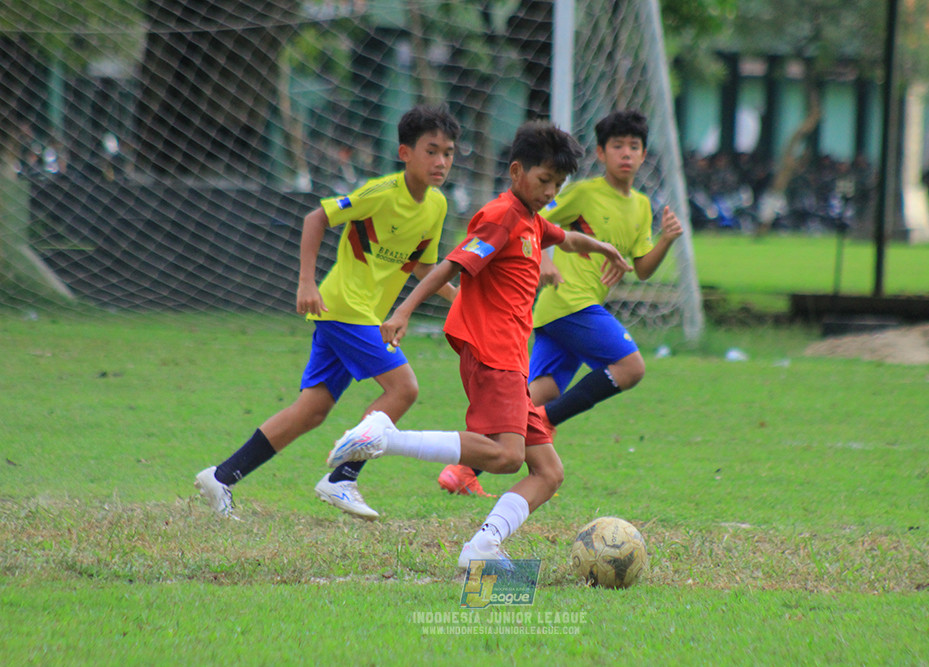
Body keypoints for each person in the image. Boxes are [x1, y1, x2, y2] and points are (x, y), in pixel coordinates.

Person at [325, 120, 632, 567]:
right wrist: (404, 311)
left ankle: (482, 547)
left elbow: (566, 237)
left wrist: (605, 248)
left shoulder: (531, 221)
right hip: (494, 351)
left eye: (558, 184)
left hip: (510, 355)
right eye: (544, 180)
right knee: (507, 457)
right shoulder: (502, 216)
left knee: (548, 472)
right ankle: (382, 438)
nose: (550, 191)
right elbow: (450, 265)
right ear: (515, 172)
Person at [195, 105, 461, 520]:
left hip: (360, 315)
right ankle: (343, 477)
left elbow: (423, 265)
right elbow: (316, 218)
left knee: (312, 410)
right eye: (432, 151)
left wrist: (457, 298)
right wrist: (306, 282)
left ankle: (222, 476)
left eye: (448, 152)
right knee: (403, 389)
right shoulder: (381, 192)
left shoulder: (437, 206)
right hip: (343, 309)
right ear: (405, 153)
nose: (441, 161)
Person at [436, 109, 684, 496]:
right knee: (631, 367)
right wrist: (545, 261)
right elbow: (536, 222)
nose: (626, 154)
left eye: (634, 147)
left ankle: (462, 472)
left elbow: (642, 268)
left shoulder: (640, 206)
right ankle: (549, 420)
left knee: (531, 397)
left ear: (644, 154)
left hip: (555, 313)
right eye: (617, 145)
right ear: (601, 153)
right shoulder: (581, 192)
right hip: (570, 302)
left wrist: (666, 239)